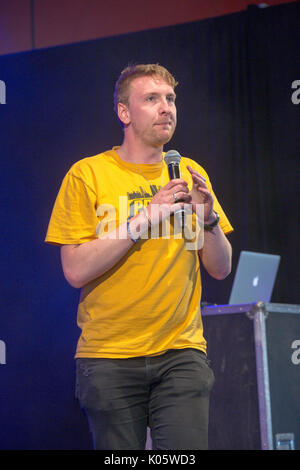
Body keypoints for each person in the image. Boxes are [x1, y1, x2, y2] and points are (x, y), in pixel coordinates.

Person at [45, 63, 233, 450]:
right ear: (124, 112)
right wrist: (146, 216)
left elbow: (220, 267)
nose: (166, 108)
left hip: (181, 352)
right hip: (109, 357)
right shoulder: (88, 174)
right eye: (152, 99)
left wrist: (210, 219)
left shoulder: (190, 173)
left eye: (170, 99)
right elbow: (75, 270)